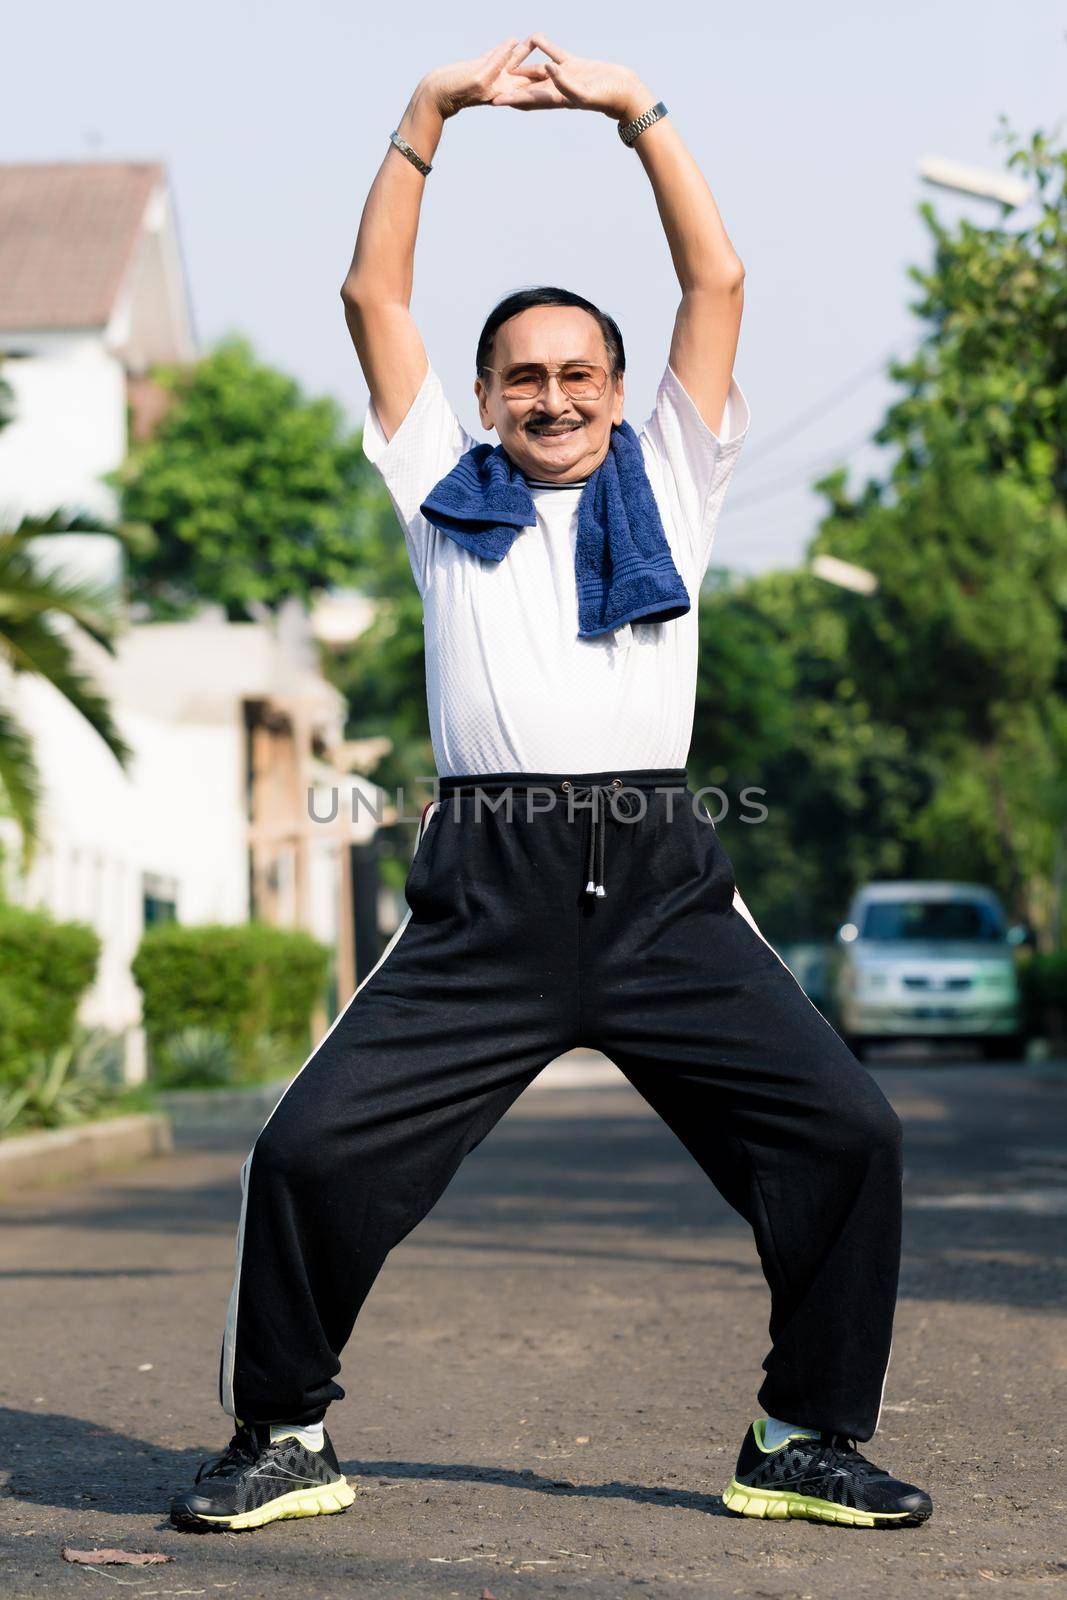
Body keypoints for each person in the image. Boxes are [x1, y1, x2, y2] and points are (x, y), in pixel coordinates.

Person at [169, 35, 932, 1534]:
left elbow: (715, 284)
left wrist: (634, 114)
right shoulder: (445, 493)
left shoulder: (678, 475)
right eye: (527, 375)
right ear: (484, 393)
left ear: (622, 388)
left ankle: (801, 1437)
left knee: (850, 1133)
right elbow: (370, 298)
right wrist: (429, 111)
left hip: (661, 883)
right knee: (307, 1152)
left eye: (582, 372)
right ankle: (281, 1433)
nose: (556, 395)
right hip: (488, 887)